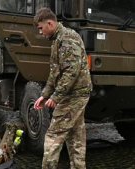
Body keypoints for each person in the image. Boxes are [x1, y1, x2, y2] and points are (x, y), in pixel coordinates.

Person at [33, 8, 92, 169]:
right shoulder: (58, 39)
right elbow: (55, 73)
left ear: (50, 23)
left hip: (74, 95)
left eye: (40, 28)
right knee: (76, 137)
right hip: (74, 93)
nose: (40, 32)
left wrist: (55, 97)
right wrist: (45, 95)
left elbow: (71, 71)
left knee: (53, 135)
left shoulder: (67, 38)